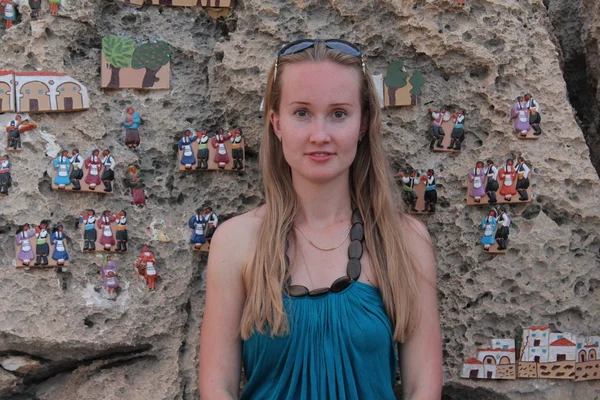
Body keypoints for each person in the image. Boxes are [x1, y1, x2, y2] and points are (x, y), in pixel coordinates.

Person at [199, 39, 442, 399]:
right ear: (276, 122)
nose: (320, 135)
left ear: (363, 124)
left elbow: (423, 387)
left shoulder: (405, 241)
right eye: (302, 113)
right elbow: (217, 387)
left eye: (339, 113)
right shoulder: (236, 241)